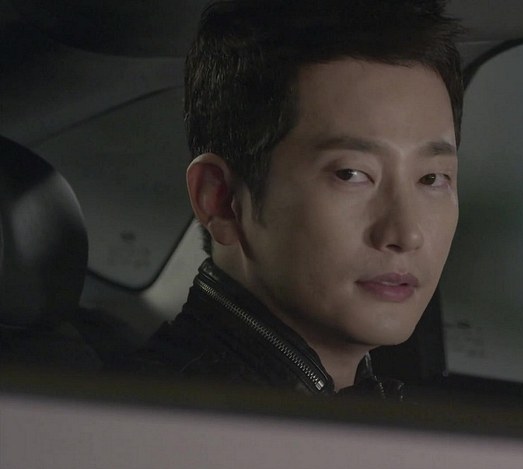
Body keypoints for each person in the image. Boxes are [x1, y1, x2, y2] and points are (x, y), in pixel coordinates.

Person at [126, 0, 463, 399]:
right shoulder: (158, 420)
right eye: (351, 174)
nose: (405, 234)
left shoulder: (353, 406)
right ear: (221, 200)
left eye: (431, 178)